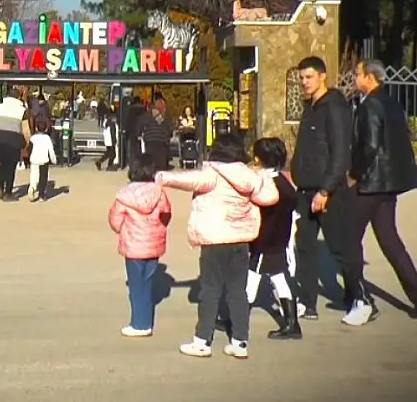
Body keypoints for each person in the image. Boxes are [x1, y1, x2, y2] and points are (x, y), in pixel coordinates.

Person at [157, 133, 278, 359]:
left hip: (214, 241)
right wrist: (263, 175)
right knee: (237, 291)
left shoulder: (211, 173)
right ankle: (240, 342)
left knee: (210, 291)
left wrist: (163, 176)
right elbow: (270, 198)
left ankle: (202, 340)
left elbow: (188, 180)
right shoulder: (250, 176)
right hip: (240, 242)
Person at [289, 55, 368, 324]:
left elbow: (340, 154)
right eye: (301, 78)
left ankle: (360, 299)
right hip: (306, 190)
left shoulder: (334, 106)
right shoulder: (311, 106)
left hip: (328, 191)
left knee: (341, 247)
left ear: (323, 76)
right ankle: (308, 302)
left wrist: (326, 190)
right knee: (306, 247)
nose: (304, 82)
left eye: (309, 77)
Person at [348, 58, 417, 317]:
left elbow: (370, 145)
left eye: (358, 74)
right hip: (388, 184)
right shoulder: (392, 103)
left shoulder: (371, 105)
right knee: (390, 242)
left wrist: (355, 174)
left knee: (347, 239)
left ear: (370, 77)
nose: (355, 78)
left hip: (371, 184)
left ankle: (360, 298)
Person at [108, 153, 172, 338]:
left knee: (136, 287)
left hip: (133, 245)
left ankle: (140, 324)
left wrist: (124, 230)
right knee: (147, 283)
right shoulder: (159, 193)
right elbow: (166, 214)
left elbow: (115, 219)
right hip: (153, 244)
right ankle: (144, 320)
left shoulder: (124, 195)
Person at [246, 137, 301, 340]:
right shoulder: (283, 183)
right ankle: (292, 323)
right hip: (279, 240)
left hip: (264, 241)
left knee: (251, 280)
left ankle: (237, 320)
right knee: (279, 279)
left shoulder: (266, 184)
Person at [0, 88, 30, 202]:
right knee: (11, 167)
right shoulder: (22, 110)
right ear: (18, 97)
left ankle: (0, 187)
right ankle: (8, 192)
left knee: (2, 165)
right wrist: (28, 143)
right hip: (14, 141)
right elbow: (25, 129)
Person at [137, 97, 173, 171]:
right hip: (162, 141)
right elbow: (169, 128)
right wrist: (169, 136)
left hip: (149, 140)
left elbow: (139, 123)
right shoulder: (165, 116)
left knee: (151, 162)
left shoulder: (147, 114)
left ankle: (151, 177)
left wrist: (139, 134)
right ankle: (160, 179)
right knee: (161, 165)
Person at [28, 118, 58, 202]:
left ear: (36, 128)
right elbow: (51, 150)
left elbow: (29, 148)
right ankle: (41, 195)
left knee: (34, 176)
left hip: (34, 159)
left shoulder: (33, 138)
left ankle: (32, 188)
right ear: (46, 129)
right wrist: (54, 160)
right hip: (44, 160)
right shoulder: (47, 138)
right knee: (43, 178)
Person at [121, 96, 146, 167]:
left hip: (132, 131)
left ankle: (133, 165)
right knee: (140, 149)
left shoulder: (130, 109)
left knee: (132, 150)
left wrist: (126, 131)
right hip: (141, 131)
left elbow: (128, 121)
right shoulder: (144, 109)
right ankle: (140, 164)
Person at [95, 105, 118, 172]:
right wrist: (114, 140)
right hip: (111, 137)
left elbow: (105, 126)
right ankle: (109, 166)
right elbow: (112, 130)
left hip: (107, 137)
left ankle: (99, 162)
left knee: (109, 152)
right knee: (113, 154)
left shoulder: (107, 117)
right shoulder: (113, 117)